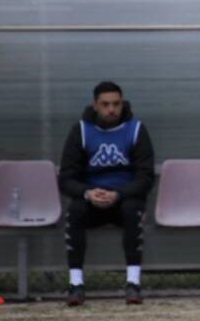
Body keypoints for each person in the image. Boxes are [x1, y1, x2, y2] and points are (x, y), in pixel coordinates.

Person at [58, 81, 155, 306]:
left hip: (124, 200)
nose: (111, 109)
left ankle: (133, 283)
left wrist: (119, 194)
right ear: (95, 106)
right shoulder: (81, 131)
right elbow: (66, 178)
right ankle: (76, 284)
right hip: (92, 199)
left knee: (133, 210)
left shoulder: (136, 129)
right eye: (105, 105)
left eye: (116, 104)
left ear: (122, 104)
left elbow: (145, 177)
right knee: (74, 211)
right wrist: (87, 192)